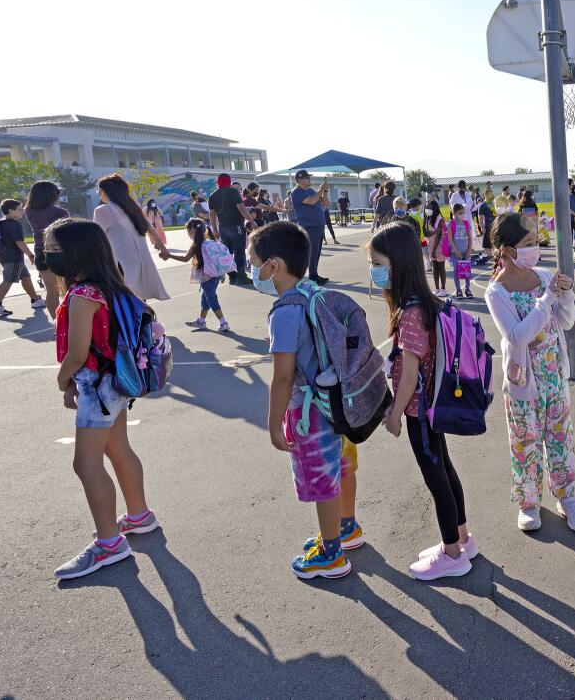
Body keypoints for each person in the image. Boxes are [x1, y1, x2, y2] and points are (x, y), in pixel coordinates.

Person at [248, 222, 363, 579]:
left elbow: (283, 376)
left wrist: (272, 423)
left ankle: (331, 554)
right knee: (343, 467)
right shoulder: (312, 292)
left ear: (274, 265)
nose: (253, 270)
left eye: (255, 262)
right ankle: (347, 527)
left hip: (310, 412)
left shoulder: (284, 312)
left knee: (321, 480)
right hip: (338, 403)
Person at [47, 218, 158, 579]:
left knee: (86, 463)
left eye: (52, 249)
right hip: (117, 380)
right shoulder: (110, 286)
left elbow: (77, 353)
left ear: (74, 253)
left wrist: (63, 380)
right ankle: (139, 515)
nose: (47, 255)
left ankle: (109, 544)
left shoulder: (81, 295)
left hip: (96, 385)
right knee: (118, 448)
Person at [369, 221, 475, 580]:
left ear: (397, 264)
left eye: (378, 262)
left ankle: (452, 554)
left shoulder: (410, 313)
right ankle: (462, 538)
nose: (374, 270)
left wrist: (395, 415)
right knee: (444, 469)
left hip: (419, 411)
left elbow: (410, 375)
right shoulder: (422, 303)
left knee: (436, 478)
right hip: (433, 407)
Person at [484, 213, 575, 532]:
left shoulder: (544, 276)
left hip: (554, 375)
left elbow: (567, 321)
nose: (536, 250)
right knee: (524, 440)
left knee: (561, 438)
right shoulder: (496, 291)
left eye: (536, 243)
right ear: (507, 250)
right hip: (522, 381)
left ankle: (568, 496)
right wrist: (547, 300)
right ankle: (529, 503)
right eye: (528, 244)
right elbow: (517, 335)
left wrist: (567, 294)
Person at [92, 174, 169, 302]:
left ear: (107, 191)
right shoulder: (132, 208)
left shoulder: (103, 210)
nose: (99, 194)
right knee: (140, 300)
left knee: (125, 302)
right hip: (140, 261)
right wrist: (163, 249)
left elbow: (95, 238)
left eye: (99, 191)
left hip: (120, 264)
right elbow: (151, 229)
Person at [161, 218, 230, 332]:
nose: (188, 233)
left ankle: (223, 322)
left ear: (192, 231)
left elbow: (185, 258)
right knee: (206, 297)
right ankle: (201, 321)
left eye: (188, 230)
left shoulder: (196, 244)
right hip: (215, 275)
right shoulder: (212, 241)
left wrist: (169, 255)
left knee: (211, 298)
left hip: (206, 276)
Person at [0, 198, 46, 316]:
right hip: (13, 258)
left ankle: (35, 300)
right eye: (19, 209)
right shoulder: (14, 224)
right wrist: (30, 255)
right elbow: (20, 242)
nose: (22, 212)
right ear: (11, 211)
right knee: (8, 280)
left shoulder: (2, 223)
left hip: (5, 256)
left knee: (25, 277)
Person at [23, 180, 70, 315]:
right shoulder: (60, 212)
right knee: (69, 288)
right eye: (57, 193)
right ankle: (69, 321)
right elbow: (68, 234)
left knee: (51, 290)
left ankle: (56, 322)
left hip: (41, 250)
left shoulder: (28, 210)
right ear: (51, 195)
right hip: (61, 251)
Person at [209, 173, 254, 285]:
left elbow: (212, 214)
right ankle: (242, 276)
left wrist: (214, 229)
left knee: (227, 252)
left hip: (223, 227)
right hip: (236, 226)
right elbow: (242, 209)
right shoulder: (233, 192)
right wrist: (252, 222)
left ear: (218, 182)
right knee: (239, 251)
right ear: (229, 181)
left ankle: (232, 277)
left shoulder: (213, 195)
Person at [288, 170, 331, 285]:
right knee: (313, 251)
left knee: (317, 252)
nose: (309, 179)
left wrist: (325, 191)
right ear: (299, 180)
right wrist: (321, 189)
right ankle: (312, 275)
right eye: (306, 178)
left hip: (318, 224)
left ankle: (314, 274)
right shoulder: (296, 192)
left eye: (309, 177)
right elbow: (311, 201)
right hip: (309, 226)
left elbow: (325, 203)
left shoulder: (311, 190)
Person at [447, 203, 475, 299]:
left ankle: (467, 289)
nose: (462, 215)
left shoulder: (466, 224)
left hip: (466, 252)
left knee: (467, 271)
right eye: (460, 213)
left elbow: (470, 238)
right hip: (456, 253)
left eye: (463, 213)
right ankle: (458, 290)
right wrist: (456, 252)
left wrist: (469, 251)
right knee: (456, 272)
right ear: (454, 213)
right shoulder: (451, 224)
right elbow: (450, 240)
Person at [423, 200, 448, 296]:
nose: (427, 210)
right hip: (431, 246)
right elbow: (426, 233)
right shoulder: (427, 219)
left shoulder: (439, 219)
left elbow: (439, 235)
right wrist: (434, 232)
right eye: (426, 208)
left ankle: (443, 288)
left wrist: (434, 250)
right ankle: (436, 288)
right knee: (435, 268)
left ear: (434, 208)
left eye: (429, 208)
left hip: (439, 247)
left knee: (441, 267)